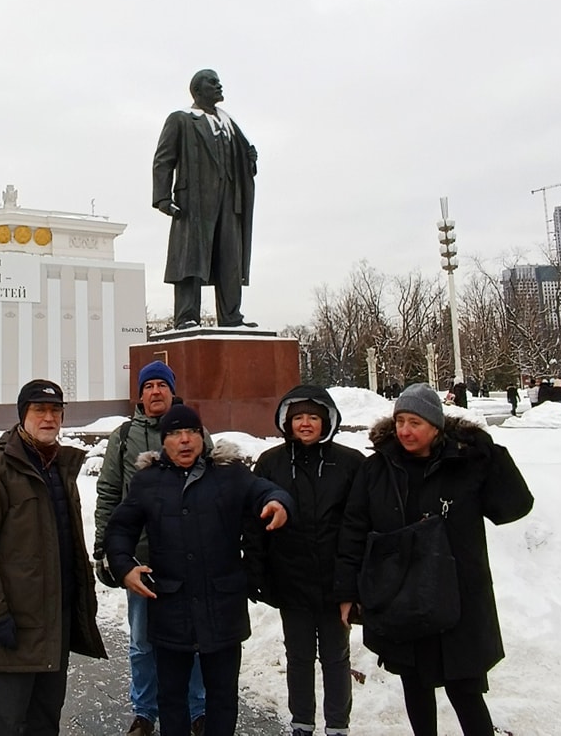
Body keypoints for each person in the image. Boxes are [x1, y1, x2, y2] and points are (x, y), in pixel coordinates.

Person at [335, 383, 533, 736]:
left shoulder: (465, 463)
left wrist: (490, 453)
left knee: (465, 688)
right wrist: (348, 590)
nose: (405, 431)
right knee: (415, 684)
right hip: (401, 594)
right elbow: (354, 529)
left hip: (458, 597)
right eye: (400, 421)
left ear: (436, 427)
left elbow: (514, 507)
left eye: (415, 423)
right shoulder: (378, 468)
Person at [105, 404, 293, 736]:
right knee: (171, 697)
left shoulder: (229, 474)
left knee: (222, 696)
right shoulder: (148, 481)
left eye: (191, 432)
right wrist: (124, 567)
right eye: (176, 433)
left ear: (202, 437)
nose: (185, 440)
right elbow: (120, 529)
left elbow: (263, 490)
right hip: (170, 605)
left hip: (222, 605)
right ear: (164, 441)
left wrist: (277, 501)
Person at [0, 379, 107, 734]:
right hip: (15, 622)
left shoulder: (60, 468)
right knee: (4, 721)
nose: (49, 418)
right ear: (22, 415)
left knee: (45, 716)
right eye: (39, 410)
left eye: (55, 410)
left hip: (57, 618)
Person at [93, 362, 208, 736]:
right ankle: (144, 712)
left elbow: (214, 488)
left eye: (162, 384)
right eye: (149, 386)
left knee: (193, 640)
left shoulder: (194, 430)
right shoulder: (124, 436)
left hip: (188, 559)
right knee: (142, 642)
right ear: (140, 394)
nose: (156, 391)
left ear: (172, 391)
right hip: (140, 560)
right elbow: (109, 492)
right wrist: (104, 549)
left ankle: (198, 710)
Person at [244, 385, 364, 736]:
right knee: (298, 657)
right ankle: (302, 723)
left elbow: (361, 523)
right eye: (299, 418)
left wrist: (355, 580)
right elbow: (254, 522)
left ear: (327, 421)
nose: (306, 424)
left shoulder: (350, 463)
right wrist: (256, 572)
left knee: (336, 656)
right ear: (287, 422)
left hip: (336, 581)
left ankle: (338, 726)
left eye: (313, 417)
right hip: (290, 579)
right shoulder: (271, 463)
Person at [152, 69, 258, 329]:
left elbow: (242, 160)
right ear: (198, 91)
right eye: (213, 82)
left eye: (219, 81)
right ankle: (187, 317)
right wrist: (163, 198)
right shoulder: (182, 119)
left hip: (230, 202)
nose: (219, 85)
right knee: (190, 261)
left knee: (230, 260)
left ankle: (232, 317)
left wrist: (250, 161)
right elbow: (163, 159)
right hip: (194, 203)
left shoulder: (230, 123)